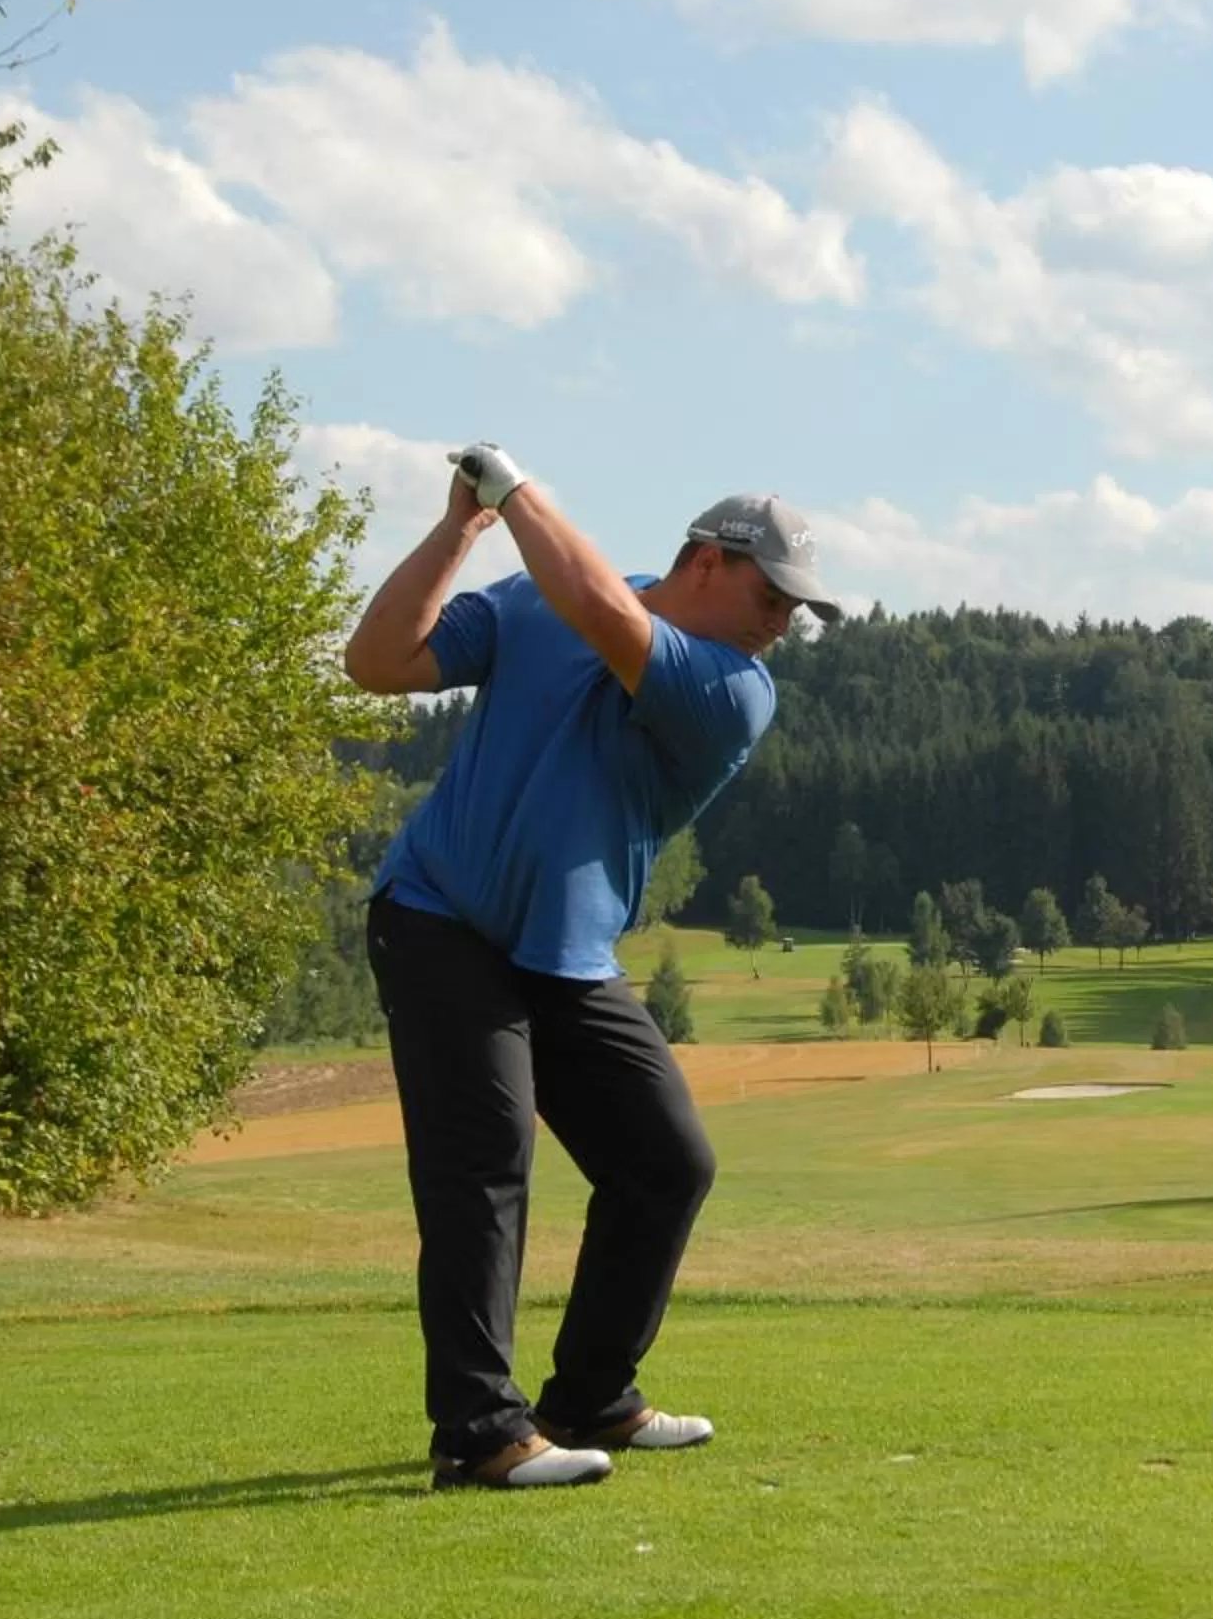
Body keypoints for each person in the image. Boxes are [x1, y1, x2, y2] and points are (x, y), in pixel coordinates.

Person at [342, 443, 841, 1491]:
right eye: (773, 594)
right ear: (709, 559)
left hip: (564, 954)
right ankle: (480, 1432)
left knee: (668, 1161)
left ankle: (590, 1396)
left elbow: (611, 619)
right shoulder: (530, 602)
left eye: (798, 609)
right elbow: (377, 663)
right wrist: (460, 529)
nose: (783, 623)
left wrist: (516, 493)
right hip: (438, 918)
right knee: (483, 1164)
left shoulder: (736, 687)